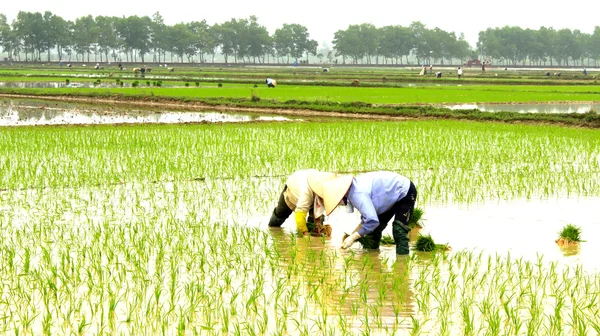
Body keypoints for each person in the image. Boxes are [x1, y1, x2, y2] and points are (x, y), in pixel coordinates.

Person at [321, 171, 418, 255]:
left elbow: (372, 221)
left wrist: (354, 237)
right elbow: (368, 219)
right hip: (387, 195)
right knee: (373, 231)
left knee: (399, 230)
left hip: (404, 191)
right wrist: (352, 234)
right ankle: (373, 257)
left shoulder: (357, 194)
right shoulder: (352, 190)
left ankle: (402, 263)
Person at [268, 170, 339, 236]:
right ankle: (271, 229)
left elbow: (319, 210)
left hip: (312, 194)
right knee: (279, 215)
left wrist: (317, 224)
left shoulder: (325, 184)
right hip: (292, 191)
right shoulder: (306, 192)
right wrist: (305, 235)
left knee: (316, 227)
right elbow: (299, 214)